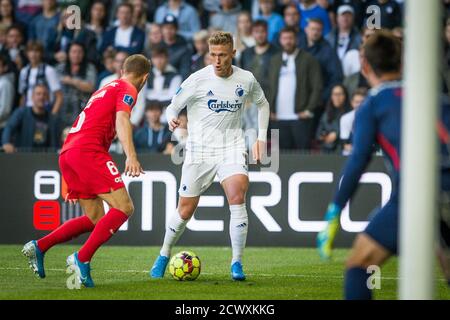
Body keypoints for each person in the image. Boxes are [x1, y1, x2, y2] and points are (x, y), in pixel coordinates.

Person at [315, 31, 450, 299]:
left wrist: (335, 211)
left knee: (359, 265)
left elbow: (357, 161)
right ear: (402, 63)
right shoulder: (436, 98)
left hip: (416, 195)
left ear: (364, 66)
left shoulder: (372, 105)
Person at [149, 31, 270, 281]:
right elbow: (173, 105)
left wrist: (261, 137)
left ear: (233, 54)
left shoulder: (245, 79)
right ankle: (163, 253)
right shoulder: (197, 79)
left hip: (232, 147)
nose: (216, 60)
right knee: (185, 210)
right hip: (199, 151)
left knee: (238, 195)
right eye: (212, 55)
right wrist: (171, 116)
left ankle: (236, 263)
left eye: (222, 55)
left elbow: (263, 104)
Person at [22, 54, 151, 288]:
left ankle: (39, 247)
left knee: (94, 218)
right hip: (88, 152)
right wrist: (131, 156)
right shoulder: (128, 88)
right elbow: (123, 119)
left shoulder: (105, 87)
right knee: (125, 207)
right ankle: (81, 258)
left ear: (122, 70)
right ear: (145, 78)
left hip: (69, 153)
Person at [268, 26, 323, 150]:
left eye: (290, 38)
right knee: (281, 157)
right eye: (284, 38)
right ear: (280, 40)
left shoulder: (309, 59)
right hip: (277, 117)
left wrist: (309, 110)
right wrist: (269, 109)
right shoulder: (274, 60)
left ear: (296, 40)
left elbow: (317, 86)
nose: (288, 41)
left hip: (300, 117)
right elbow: (267, 87)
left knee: (302, 156)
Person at [2, 84, 60, 152]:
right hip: (23, 157)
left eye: (44, 94)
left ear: (48, 98)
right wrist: (6, 143)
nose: (41, 97)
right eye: (38, 94)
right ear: (32, 97)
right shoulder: (21, 113)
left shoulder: (52, 119)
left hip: (44, 159)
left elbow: (55, 145)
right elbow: (9, 127)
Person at [56, 42, 97, 127]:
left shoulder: (89, 68)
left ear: (84, 54)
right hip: (62, 111)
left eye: (79, 52)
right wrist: (79, 83)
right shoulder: (60, 67)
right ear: (68, 53)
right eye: (74, 52)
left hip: (82, 112)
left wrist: (71, 81)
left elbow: (90, 87)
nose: (76, 55)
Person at [19, 41, 63, 115]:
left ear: (41, 53)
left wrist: (52, 116)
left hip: (45, 111)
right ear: (27, 54)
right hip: (28, 111)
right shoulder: (24, 71)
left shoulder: (49, 70)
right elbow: (23, 96)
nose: (33, 54)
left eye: (36, 51)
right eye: (31, 51)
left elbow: (59, 96)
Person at [315, 84, 349, 152]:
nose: (337, 97)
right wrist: (324, 136)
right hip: (327, 149)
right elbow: (318, 134)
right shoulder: (326, 114)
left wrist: (336, 134)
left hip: (343, 148)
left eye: (340, 94)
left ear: (345, 96)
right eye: (334, 94)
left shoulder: (350, 113)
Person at [340, 88, 367, 155]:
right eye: (357, 102)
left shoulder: (375, 117)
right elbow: (345, 144)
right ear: (352, 103)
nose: (359, 105)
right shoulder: (345, 118)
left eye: (362, 102)